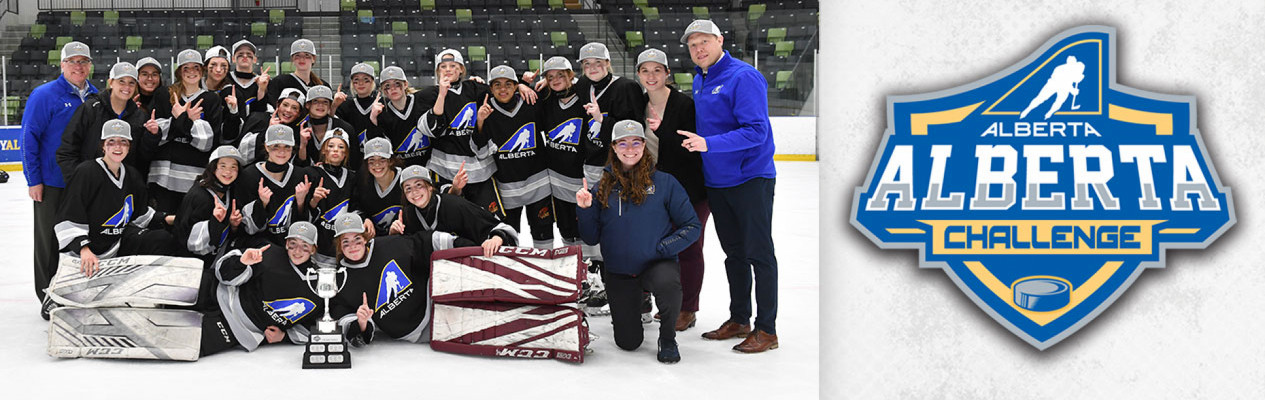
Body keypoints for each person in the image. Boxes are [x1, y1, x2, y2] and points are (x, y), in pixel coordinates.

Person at [680, 20, 780, 353]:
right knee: (734, 255)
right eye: (693, 45)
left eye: (704, 42)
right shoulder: (700, 79)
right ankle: (740, 319)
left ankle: (767, 330)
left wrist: (708, 144)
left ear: (720, 40)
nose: (699, 49)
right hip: (718, 182)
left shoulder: (743, 76)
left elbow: (756, 132)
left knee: (759, 254)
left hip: (750, 178)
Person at [576, 120, 700, 364]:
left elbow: (692, 226)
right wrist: (585, 209)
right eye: (623, 143)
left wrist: (663, 248)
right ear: (613, 147)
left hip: (656, 263)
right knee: (628, 343)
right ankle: (637, 299)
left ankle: (667, 338)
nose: (629, 149)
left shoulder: (665, 183)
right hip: (619, 270)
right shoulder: (602, 186)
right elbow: (591, 238)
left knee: (667, 284)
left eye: (636, 142)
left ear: (644, 145)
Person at [22, 41, 98, 316]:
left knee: (79, 240)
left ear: (90, 66)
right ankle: (47, 295)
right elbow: (29, 138)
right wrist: (34, 180)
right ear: (62, 65)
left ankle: (75, 291)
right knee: (48, 242)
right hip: (52, 183)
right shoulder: (44, 95)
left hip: (83, 184)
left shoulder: (95, 96)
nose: (79, 66)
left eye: (83, 61)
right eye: (73, 61)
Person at [636, 48, 709, 332]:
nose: (651, 76)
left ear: (668, 73)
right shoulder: (638, 104)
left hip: (689, 190)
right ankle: (666, 302)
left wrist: (662, 129)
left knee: (689, 249)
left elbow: (688, 151)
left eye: (657, 70)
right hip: (653, 191)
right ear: (639, 75)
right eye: (645, 70)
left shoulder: (685, 105)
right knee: (658, 250)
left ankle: (688, 309)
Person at [55, 120, 176, 278]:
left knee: (161, 239)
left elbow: (140, 215)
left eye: (123, 142)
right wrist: (84, 249)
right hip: (86, 252)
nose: (117, 147)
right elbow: (69, 214)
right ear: (103, 146)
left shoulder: (132, 175)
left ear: (129, 146)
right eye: (111, 142)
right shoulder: (86, 172)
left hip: (117, 246)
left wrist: (168, 218)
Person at [328, 213, 471, 346]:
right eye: (345, 242)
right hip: (418, 332)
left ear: (365, 238)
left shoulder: (388, 245)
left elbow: (424, 242)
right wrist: (361, 322)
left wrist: (467, 246)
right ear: (339, 246)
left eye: (357, 239)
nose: (352, 246)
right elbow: (346, 318)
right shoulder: (341, 278)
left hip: (435, 300)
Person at [207, 221, 326, 356]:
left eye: (305, 246)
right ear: (286, 243)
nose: (297, 251)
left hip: (238, 327)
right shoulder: (269, 252)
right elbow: (222, 274)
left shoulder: (318, 286)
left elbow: (315, 325)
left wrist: (284, 336)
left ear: (313, 249)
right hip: (217, 292)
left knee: (187, 342)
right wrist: (241, 263)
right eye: (293, 244)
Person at [417, 49, 501, 216]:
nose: (448, 69)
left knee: (489, 218)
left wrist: (521, 83)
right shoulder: (429, 94)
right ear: (437, 71)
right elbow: (433, 130)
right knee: (451, 218)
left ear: (461, 69)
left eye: (453, 66)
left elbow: (503, 90)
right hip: (444, 170)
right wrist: (442, 94)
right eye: (443, 66)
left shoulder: (474, 88)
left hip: (479, 171)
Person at [476, 65, 553, 249]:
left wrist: (539, 83)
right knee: (507, 236)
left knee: (543, 232)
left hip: (538, 183)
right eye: (497, 85)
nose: (503, 89)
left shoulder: (531, 101)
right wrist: (480, 121)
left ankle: (545, 272)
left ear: (516, 85)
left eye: (508, 84)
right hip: (506, 187)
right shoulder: (485, 110)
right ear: (491, 88)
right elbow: (478, 148)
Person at [149, 49, 224, 214]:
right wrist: (189, 123)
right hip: (163, 177)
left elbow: (206, 142)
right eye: (186, 68)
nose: (191, 72)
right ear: (179, 71)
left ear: (202, 70)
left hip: (194, 176)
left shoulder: (211, 99)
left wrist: (180, 119)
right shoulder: (164, 94)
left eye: (196, 68)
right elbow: (158, 134)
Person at [57, 62, 159, 182]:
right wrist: (78, 181)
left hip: (123, 187)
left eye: (131, 82)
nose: (127, 87)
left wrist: (152, 136)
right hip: (91, 183)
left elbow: (142, 157)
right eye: (121, 81)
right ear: (111, 82)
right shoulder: (91, 109)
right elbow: (67, 149)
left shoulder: (140, 116)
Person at [389, 165, 518, 256]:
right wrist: (393, 233)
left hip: (468, 266)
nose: (414, 192)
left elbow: (496, 226)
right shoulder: (406, 215)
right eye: (408, 188)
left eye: (419, 185)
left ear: (430, 187)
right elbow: (404, 251)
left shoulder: (454, 205)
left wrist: (497, 238)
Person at [235, 125, 314, 247]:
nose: (281, 152)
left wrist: (301, 202)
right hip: (258, 245)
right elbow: (245, 229)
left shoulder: (300, 175)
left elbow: (303, 225)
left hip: (291, 245)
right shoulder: (249, 176)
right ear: (267, 146)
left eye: (287, 147)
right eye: (276, 146)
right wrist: (262, 204)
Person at [304, 128, 358, 266]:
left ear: (345, 153)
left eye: (341, 147)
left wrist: (365, 219)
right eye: (331, 146)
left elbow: (357, 207)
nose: (335, 150)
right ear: (323, 150)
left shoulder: (352, 177)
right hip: (319, 249)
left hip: (344, 249)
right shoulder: (312, 173)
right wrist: (314, 200)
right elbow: (302, 214)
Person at [372, 66, 430, 167]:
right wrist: (373, 118)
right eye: (387, 86)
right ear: (384, 91)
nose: (393, 88)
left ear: (405, 84)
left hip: (428, 166)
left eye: (397, 84)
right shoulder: (382, 112)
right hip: (401, 169)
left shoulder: (422, 101)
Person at [238, 88, 306, 164]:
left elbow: (298, 164)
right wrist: (268, 131)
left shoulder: (298, 133)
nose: (288, 110)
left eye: (294, 108)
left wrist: (303, 144)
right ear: (278, 105)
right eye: (285, 105)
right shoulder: (259, 118)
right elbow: (243, 153)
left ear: (299, 113)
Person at [355, 137, 403, 236]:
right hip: (375, 238)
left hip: (403, 236)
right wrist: (364, 219)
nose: (377, 164)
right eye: (371, 160)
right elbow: (355, 204)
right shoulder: (362, 180)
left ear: (391, 161)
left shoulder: (405, 179)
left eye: (382, 159)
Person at [301, 85, 359, 165]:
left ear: (330, 106)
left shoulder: (345, 128)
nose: (320, 105)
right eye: (315, 101)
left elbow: (354, 161)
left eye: (325, 102)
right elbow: (299, 164)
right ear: (307, 105)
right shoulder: (301, 129)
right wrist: (303, 145)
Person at [265, 39, 326, 108]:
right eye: (297, 55)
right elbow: (274, 107)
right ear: (292, 59)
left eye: (306, 55)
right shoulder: (279, 82)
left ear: (313, 59)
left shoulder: (322, 86)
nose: (302, 59)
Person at [334, 63, 380, 147]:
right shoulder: (344, 105)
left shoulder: (382, 105)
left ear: (372, 82)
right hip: (352, 156)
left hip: (376, 156)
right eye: (356, 80)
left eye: (366, 79)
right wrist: (334, 105)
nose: (361, 83)